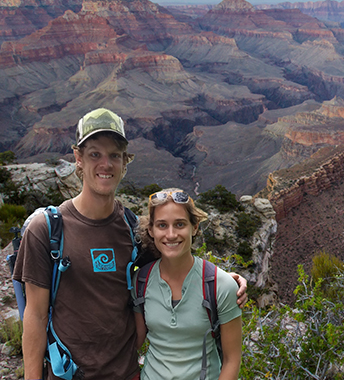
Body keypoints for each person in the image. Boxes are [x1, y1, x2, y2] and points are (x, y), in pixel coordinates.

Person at [12, 108, 247, 380]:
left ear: (125, 162)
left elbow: (174, 265)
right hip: (69, 375)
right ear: (78, 158)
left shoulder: (132, 230)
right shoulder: (47, 229)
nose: (106, 164)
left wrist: (225, 282)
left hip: (126, 374)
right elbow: (36, 318)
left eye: (115, 155)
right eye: (95, 154)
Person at [133, 189, 241, 380]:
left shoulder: (220, 286)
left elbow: (232, 360)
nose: (171, 234)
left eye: (180, 224)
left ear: (195, 227)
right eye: (162, 225)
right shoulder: (141, 281)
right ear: (151, 230)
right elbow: (135, 344)